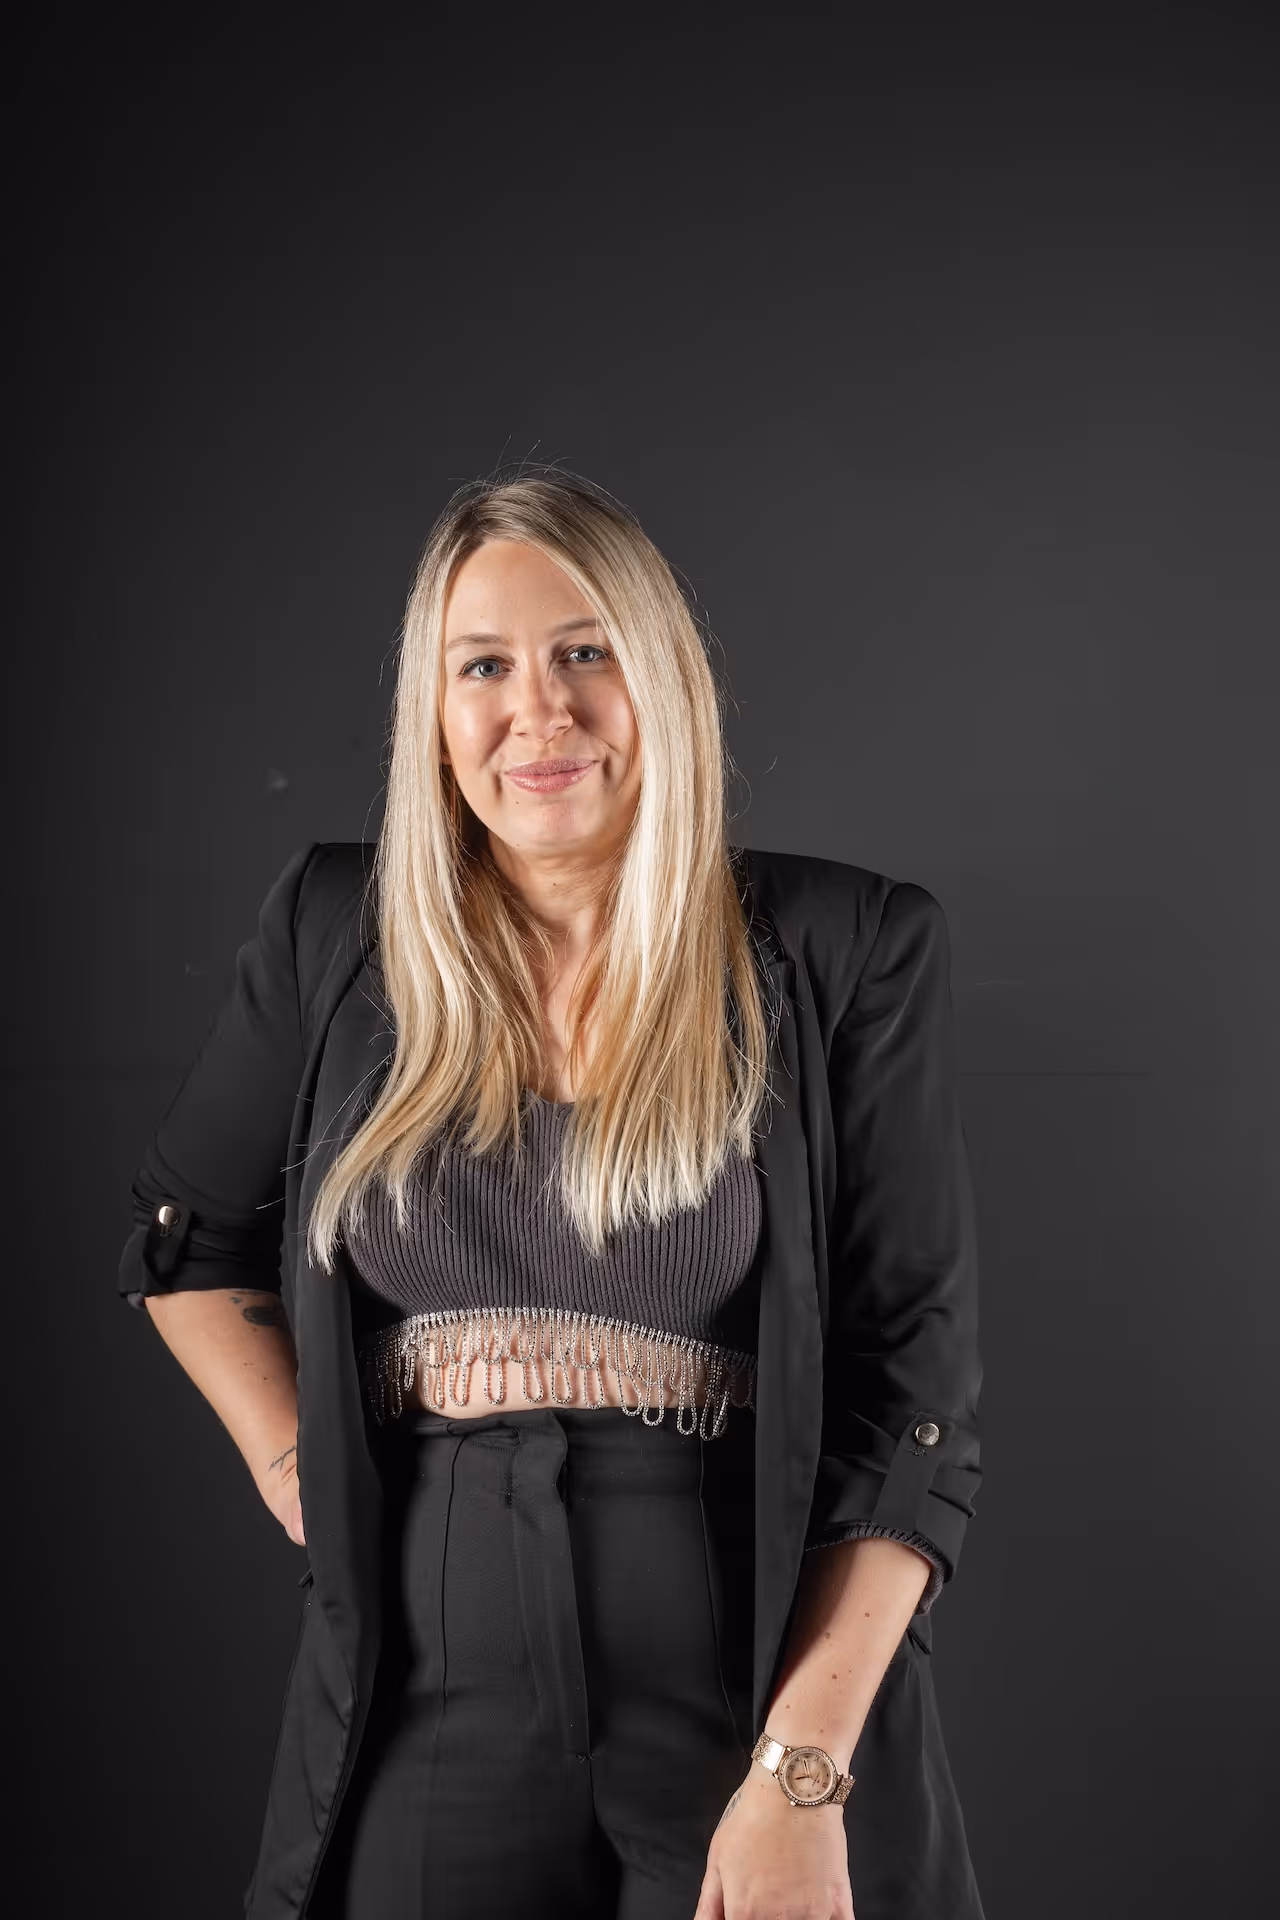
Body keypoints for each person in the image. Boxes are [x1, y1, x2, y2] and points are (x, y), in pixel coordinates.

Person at [118, 470, 985, 1920]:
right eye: (484, 666)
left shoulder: (847, 946)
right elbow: (183, 1242)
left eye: (586, 651)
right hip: (421, 1717)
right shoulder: (336, 931)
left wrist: (800, 1777)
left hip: (740, 1704)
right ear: (432, 709)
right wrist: (293, 1463)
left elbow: (917, 1401)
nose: (540, 711)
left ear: (664, 680)